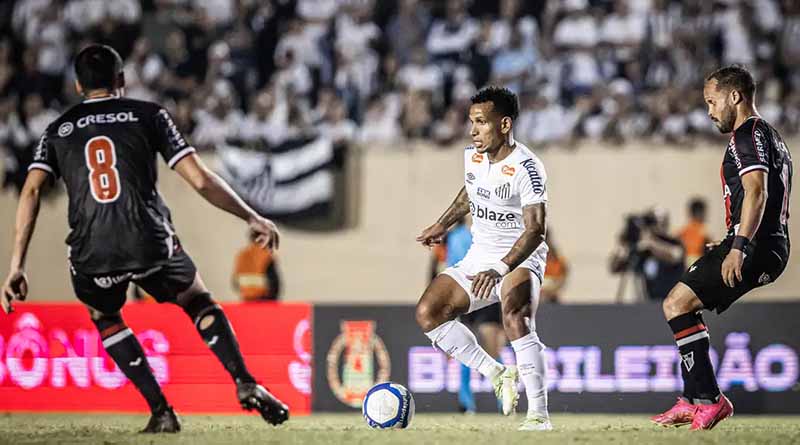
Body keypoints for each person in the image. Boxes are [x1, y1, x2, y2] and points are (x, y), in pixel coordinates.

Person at [0, 45, 289, 433]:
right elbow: (201, 179)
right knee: (197, 299)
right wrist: (251, 216)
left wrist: (17, 264)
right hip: (148, 239)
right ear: (121, 80)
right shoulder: (149, 114)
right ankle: (244, 380)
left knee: (104, 316)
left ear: (77, 84)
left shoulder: (58, 130)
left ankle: (162, 411)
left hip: (92, 250)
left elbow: (32, 191)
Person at [652, 65, 792, 430]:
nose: (709, 110)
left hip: (758, 246)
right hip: (766, 242)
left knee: (676, 303)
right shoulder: (770, 135)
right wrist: (733, 236)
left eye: (712, 102)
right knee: (683, 305)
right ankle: (695, 398)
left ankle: (708, 400)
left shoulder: (747, 135)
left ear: (735, 96)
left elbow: (757, 192)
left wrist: (740, 245)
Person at [415, 86, 551, 431]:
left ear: (504, 124)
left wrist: (501, 268)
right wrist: (442, 223)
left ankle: (538, 414)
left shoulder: (527, 167)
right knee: (428, 313)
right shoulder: (472, 157)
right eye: (471, 122)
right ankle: (497, 373)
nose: (472, 130)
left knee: (515, 316)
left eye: (481, 122)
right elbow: (469, 193)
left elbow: (536, 230)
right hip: (480, 255)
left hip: (520, 256)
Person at [609, 208, 685, 301]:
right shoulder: (642, 250)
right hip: (648, 303)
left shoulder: (673, 242)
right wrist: (623, 247)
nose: (657, 226)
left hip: (671, 303)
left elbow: (675, 255)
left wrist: (650, 243)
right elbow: (614, 268)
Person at [233, 229, 282, 302]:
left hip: (247, 300)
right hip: (264, 300)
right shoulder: (266, 255)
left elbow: (235, 282)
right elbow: (274, 283)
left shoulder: (242, 255)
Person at [678, 197, 711, 266]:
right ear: (699, 213)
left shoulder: (684, 230)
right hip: (696, 261)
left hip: (684, 262)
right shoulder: (703, 231)